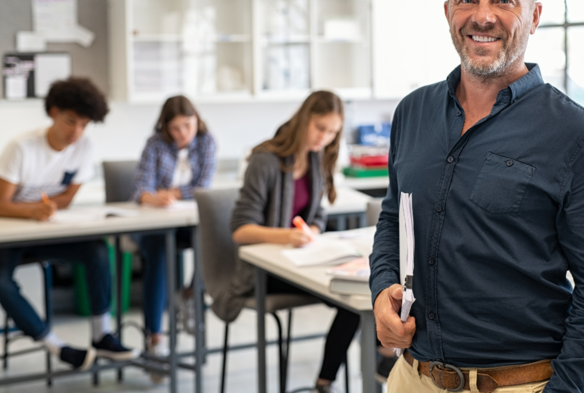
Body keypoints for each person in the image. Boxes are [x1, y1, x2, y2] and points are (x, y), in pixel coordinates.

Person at [369, 0, 584, 393]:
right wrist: (381, 291)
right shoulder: (412, 112)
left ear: (533, 15)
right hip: (414, 377)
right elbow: (395, 218)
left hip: (519, 384)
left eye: (503, 0)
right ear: (448, 11)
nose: (482, 16)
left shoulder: (576, 133)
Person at [0, 77, 137, 370]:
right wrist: (32, 211)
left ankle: (102, 335)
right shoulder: (21, 147)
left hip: (46, 232)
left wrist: (43, 210)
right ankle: (56, 346)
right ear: (53, 112)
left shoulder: (84, 147)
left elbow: (66, 198)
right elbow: (2, 204)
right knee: (0, 281)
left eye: (84, 124)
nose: (76, 131)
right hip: (11, 235)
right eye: (70, 121)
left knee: (97, 251)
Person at [228, 90, 359, 393]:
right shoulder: (266, 160)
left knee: (357, 295)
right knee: (351, 300)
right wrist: (287, 235)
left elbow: (317, 215)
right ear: (304, 120)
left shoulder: (315, 159)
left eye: (332, 132)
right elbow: (240, 230)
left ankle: (329, 379)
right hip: (266, 271)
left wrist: (311, 228)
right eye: (320, 128)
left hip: (302, 260)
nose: (324, 138)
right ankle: (331, 382)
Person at [131, 95, 216, 378]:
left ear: (196, 121)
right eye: (176, 128)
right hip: (155, 223)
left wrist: (173, 193)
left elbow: (203, 186)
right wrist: (150, 198)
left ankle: (190, 295)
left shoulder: (206, 142)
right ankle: (155, 338)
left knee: (214, 239)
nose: (183, 134)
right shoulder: (154, 144)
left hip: (189, 222)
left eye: (188, 126)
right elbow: (142, 187)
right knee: (157, 253)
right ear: (165, 127)